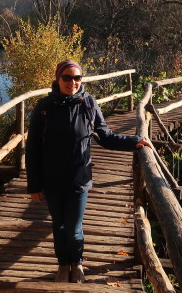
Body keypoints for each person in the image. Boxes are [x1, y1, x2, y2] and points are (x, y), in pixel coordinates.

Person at [26, 60, 151, 283]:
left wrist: (134, 141)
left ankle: (77, 263)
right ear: (58, 79)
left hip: (79, 179)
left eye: (77, 78)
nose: (72, 82)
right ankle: (63, 265)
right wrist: (34, 185)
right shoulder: (44, 107)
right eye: (67, 77)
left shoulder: (88, 104)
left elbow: (106, 136)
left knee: (73, 227)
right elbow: (33, 148)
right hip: (52, 181)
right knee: (59, 225)